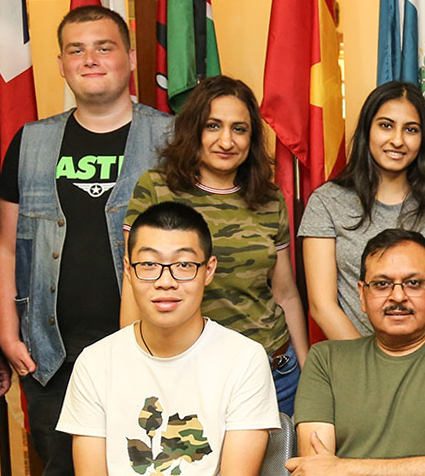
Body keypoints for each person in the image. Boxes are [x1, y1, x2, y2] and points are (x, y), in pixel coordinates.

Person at [0, 6, 173, 475]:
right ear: (61, 64)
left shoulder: (171, 138)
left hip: (155, 350)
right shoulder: (29, 142)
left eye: (104, 47)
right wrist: (8, 332)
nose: (90, 59)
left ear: (130, 59)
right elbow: (8, 245)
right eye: (77, 49)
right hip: (52, 357)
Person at [123, 75, 310, 415]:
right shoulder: (156, 188)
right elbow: (135, 283)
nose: (227, 141)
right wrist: (133, 368)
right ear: (194, 129)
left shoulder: (268, 199)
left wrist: (306, 365)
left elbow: (285, 293)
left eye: (239, 129)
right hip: (184, 372)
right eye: (213, 126)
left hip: (272, 370)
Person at [58, 202, 280, 476]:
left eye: (184, 264)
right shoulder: (95, 363)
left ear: (208, 270)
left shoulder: (244, 359)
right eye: (149, 264)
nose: (166, 281)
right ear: (128, 270)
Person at [289, 229, 425, 475]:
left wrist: (343, 468)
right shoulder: (326, 360)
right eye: (382, 284)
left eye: (413, 283)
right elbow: (315, 470)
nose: (398, 296)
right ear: (362, 294)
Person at [300, 82, 425, 340]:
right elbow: (322, 306)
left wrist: (409, 358)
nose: (397, 140)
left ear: (423, 139)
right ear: (367, 130)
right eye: (386, 125)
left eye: (411, 129)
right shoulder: (326, 202)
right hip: (354, 364)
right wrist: (370, 367)